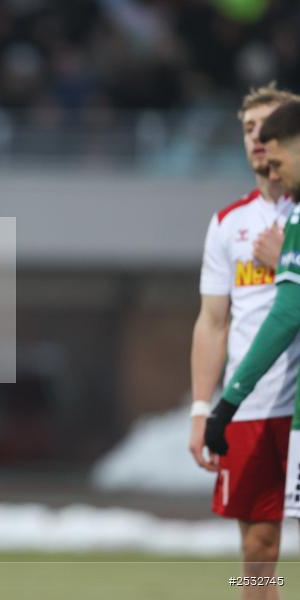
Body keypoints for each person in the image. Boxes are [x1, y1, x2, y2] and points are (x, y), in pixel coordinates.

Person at [189, 85, 300, 597]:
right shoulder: (229, 223)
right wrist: (202, 408)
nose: (260, 139)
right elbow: (213, 322)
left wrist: (287, 263)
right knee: (257, 552)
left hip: (291, 402)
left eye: (270, 128)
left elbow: (289, 307)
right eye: (250, 129)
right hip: (252, 407)